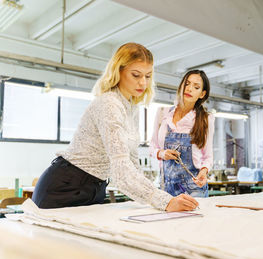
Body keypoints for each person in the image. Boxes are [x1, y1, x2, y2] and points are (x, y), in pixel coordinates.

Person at [32, 43, 198, 211]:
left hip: (94, 188)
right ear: (119, 71)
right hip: (65, 187)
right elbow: (121, 171)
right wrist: (164, 202)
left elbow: (132, 164)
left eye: (148, 76)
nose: (143, 82)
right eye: (136, 75)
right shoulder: (109, 104)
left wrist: (159, 198)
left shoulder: (131, 107)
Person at [150, 70, 215, 197]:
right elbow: (152, 147)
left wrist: (204, 171)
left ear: (202, 94)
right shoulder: (163, 113)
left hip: (194, 188)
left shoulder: (205, 119)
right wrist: (162, 153)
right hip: (166, 188)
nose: (189, 89)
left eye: (196, 87)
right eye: (187, 84)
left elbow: (208, 156)